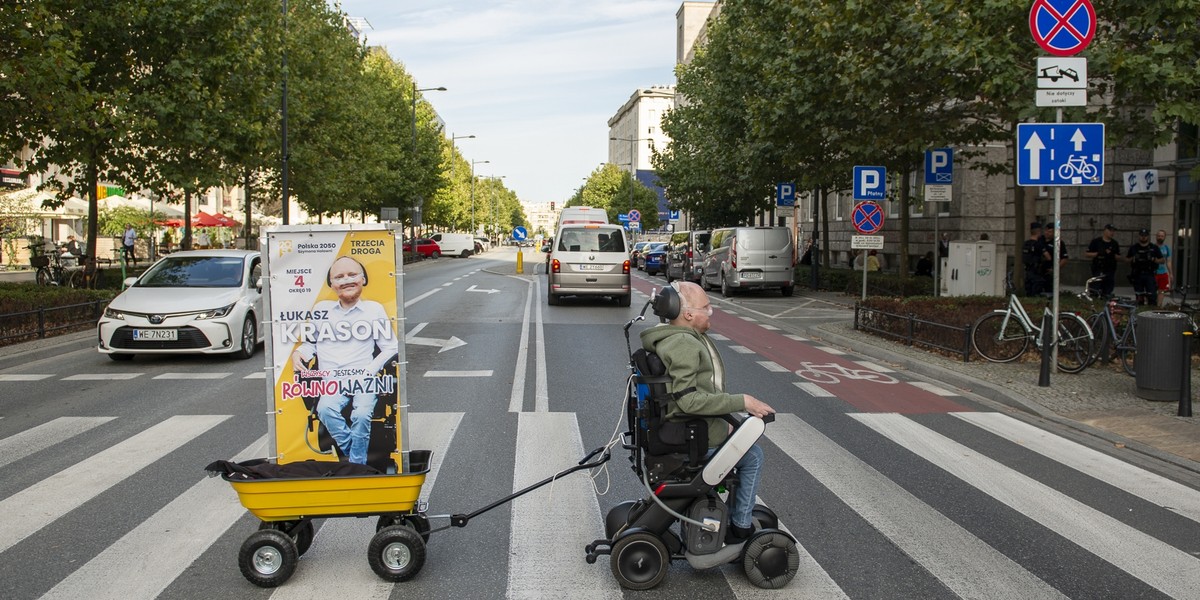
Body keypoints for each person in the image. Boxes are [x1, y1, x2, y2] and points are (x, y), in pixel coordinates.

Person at [640, 282, 776, 545]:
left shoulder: (675, 337)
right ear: (687, 314)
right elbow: (688, 400)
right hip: (689, 439)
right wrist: (742, 402)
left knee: (739, 445)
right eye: (706, 307)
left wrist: (721, 422)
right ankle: (739, 527)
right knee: (753, 457)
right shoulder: (684, 344)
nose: (711, 311)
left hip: (682, 430)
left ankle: (732, 514)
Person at [291, 256, 400, 465]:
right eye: (339, 277)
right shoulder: (321, 310)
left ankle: (354, 464)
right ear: (331, 284)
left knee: (361, 414)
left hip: (364, 379)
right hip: (332, 380)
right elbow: (309, 345)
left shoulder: (374, 309)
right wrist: (298, 353)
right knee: (324, 409)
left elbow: (391, 347)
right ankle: (355, 456)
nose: (346, 280)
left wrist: (370, 370)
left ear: (363, 279)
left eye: (352, 274)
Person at [1127, 228, 1164, 306]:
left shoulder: (1153, 247)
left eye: (1145, 235)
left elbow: (1162, 260)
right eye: (1142, 235)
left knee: (1152, 297)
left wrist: (1153, 259)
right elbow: (1126, 259)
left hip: (1149, 274)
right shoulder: (1134, 248)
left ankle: (1151, 314)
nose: (1143, 237)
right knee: (1139, 297)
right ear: (1139, 236)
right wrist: (1133, 258)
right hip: (1137, 274)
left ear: (1148, 236)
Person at [1085, 224, 1121, 297]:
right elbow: (1087, 254)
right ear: (1105, 230)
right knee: (1095, 289)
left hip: (1110, 269)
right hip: (1099, 268)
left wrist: (1113, 254)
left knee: (1108, 290)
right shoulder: (1096, 242)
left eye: (1113, 231)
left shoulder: (1114, 243)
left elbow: (1119, 257)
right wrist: (1098, 253)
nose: (1112, 233)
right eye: (1110, 231)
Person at [1022, 222, 1047, 296]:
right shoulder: (1038, 244)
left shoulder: (1026, 244)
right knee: (1036, 290)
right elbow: (1048, 257)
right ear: (1038, 231)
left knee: (1029, 291)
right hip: (1036, 271)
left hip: (1028, 271)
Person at [1040, 222, 1069, 287]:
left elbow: (1064, 258)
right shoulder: (1040, 240)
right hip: (1038, 270)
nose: (1047, 233)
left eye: (1050, 232)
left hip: (1049, 271)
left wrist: (1055, 269)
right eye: (1046, 231)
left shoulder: (1058, 243)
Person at [1155, 229, 1172, 306]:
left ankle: (1159, 307)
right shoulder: (1152, 247)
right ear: (1156, 236)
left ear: (1164, 237)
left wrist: (1170, 273)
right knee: (1152, 291)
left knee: (1162, 291)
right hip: (1154, 273)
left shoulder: (1166, 248)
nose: (1160, 237)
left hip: (1163, 273)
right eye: (1159, 236)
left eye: (1162, 236)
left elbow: (1168, 261)